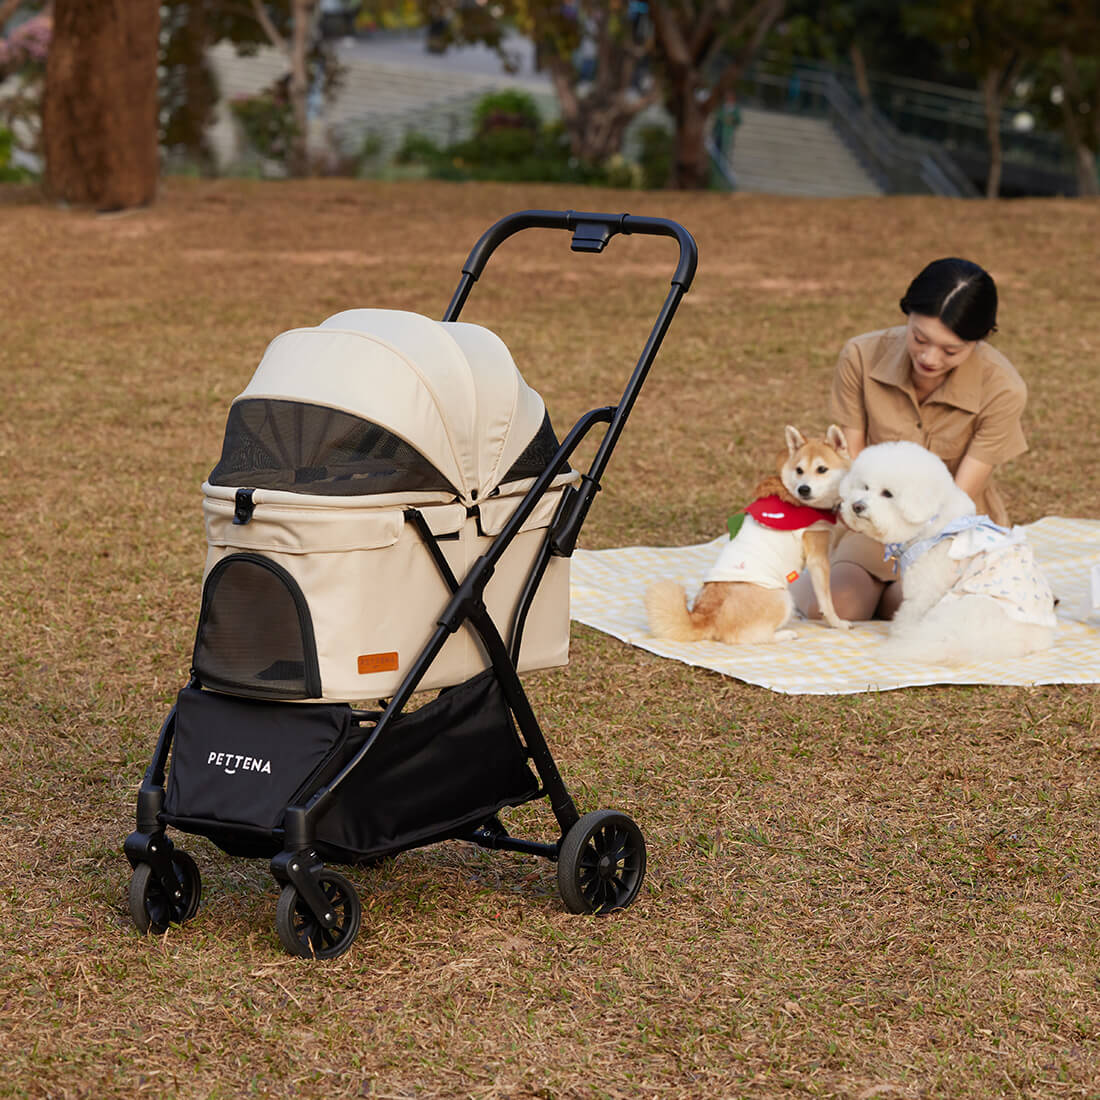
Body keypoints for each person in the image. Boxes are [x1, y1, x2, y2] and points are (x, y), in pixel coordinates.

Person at [792, 256, 1028, 622]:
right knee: (829, 609)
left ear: (980, 340)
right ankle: (806, 574)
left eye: (951, 351)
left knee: (924, 612)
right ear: (907, 313)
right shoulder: (861, 356)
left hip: (946, 540)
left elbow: (956, 501)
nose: (930, 357)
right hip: (870, 526)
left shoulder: (1003, 388)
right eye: (919, 338)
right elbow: (852, 471)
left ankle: (893, 599)